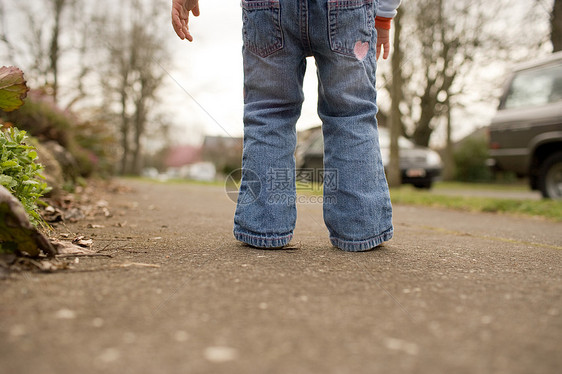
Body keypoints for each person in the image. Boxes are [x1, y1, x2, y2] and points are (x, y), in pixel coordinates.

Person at [172, 0, 401, 252]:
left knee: (269, 112)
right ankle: (361, 228)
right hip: (347, 7)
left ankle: (264, 227)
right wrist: (384, 15)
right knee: (351, 114)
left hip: (268, 7)